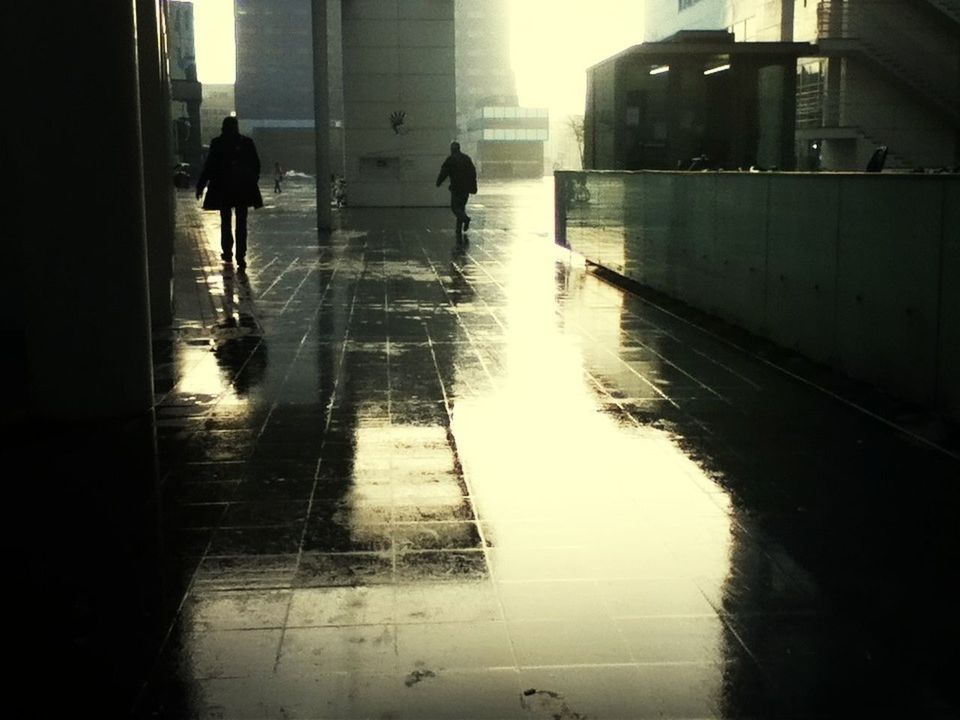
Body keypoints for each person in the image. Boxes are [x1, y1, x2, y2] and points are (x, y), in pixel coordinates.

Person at [196, 116, 263, 270]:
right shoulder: (246, 143)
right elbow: (256, 164)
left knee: (225, 220)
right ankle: (241, 254)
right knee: (241, 222)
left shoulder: (217, 143)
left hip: (223, 188)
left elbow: (209, 166)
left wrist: (201, 185)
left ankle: (227, 251)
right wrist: (252, 180)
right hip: (243, 189)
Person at [435, 141, 477, 236]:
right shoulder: (466, 158)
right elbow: (473, 173)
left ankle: (465, 219)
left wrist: (439, 182)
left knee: (455, 207)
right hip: (466, 188)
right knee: (461, 207)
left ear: (451, 149)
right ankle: (458, 229)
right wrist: (473, 186)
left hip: (456, 187)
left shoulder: (451, 159)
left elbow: (444, 172)